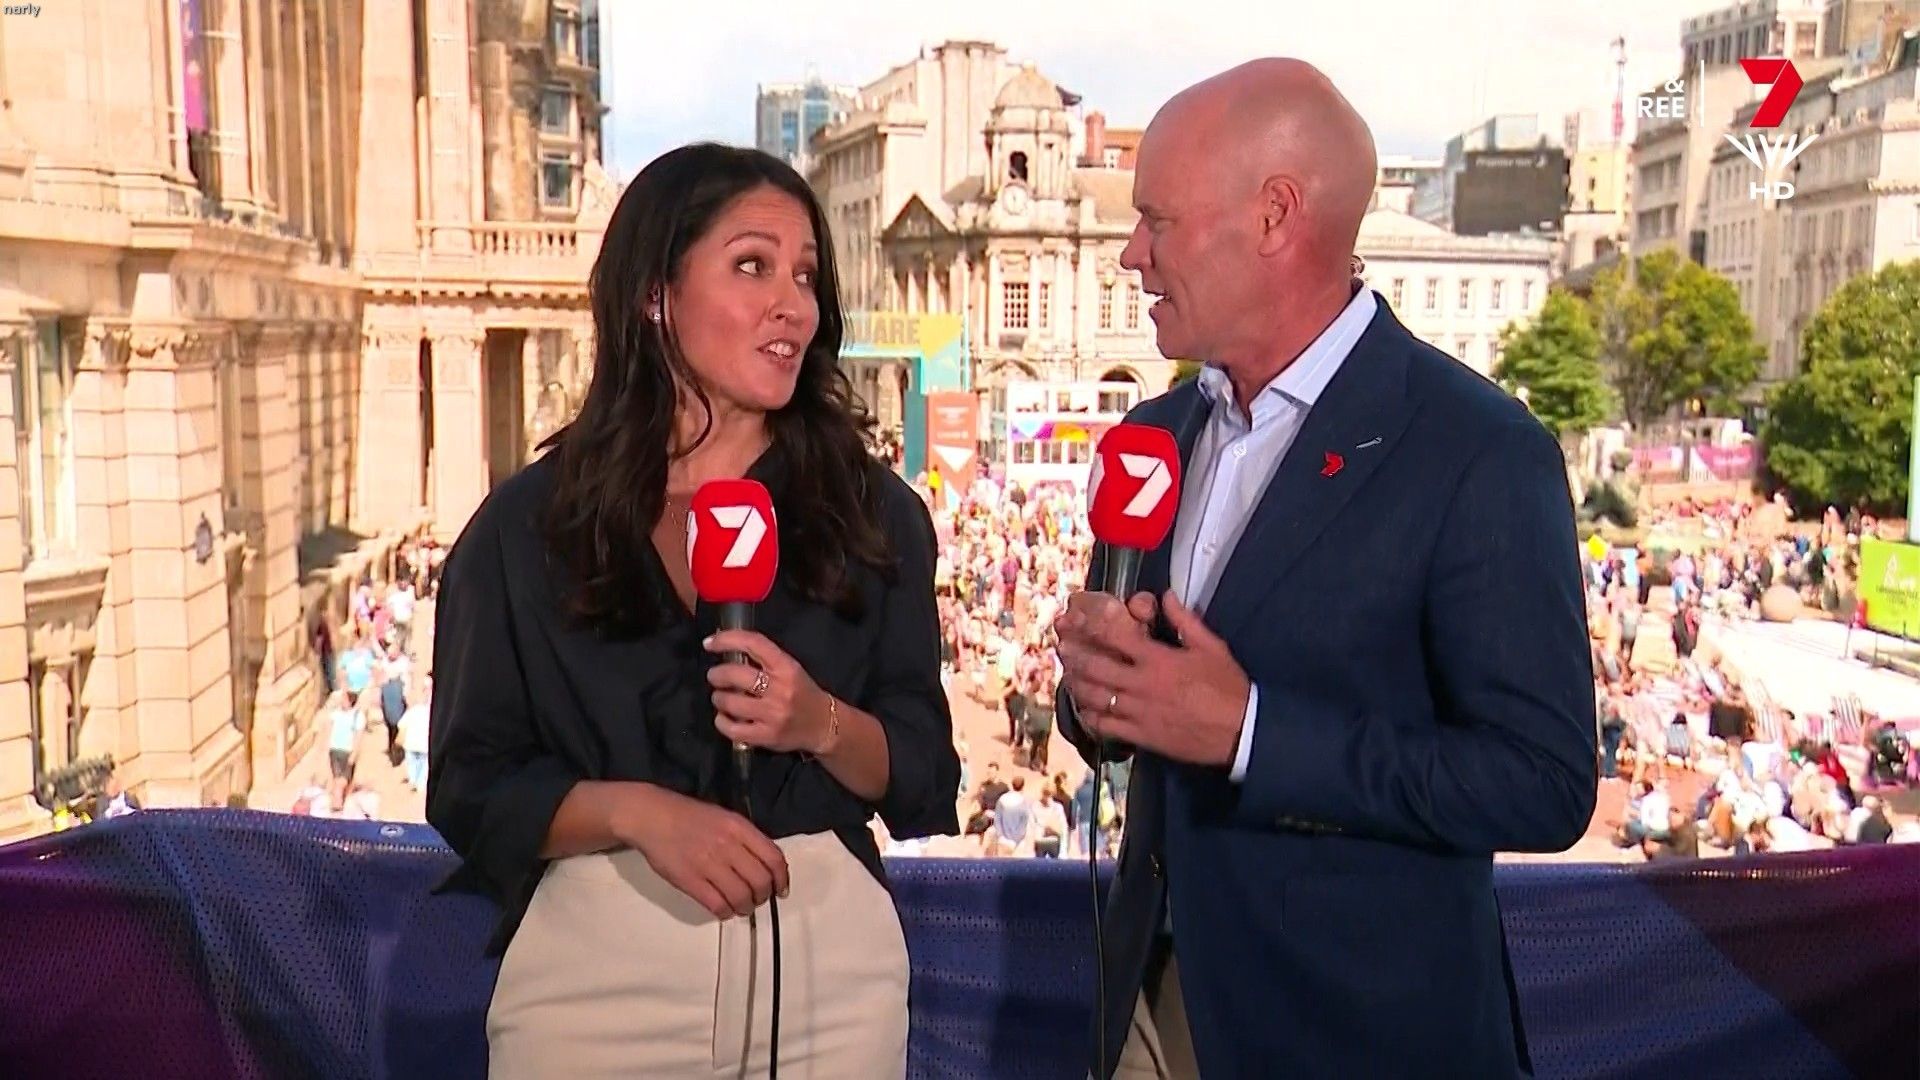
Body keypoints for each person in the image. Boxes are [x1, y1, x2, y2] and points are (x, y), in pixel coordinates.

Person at [1051, 60, 1596, 1078]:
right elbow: (1123, 712)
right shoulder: (1156, 434)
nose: (1132, 255)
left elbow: (1544, 783)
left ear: (1275, 215)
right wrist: (1097, 691)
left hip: (1357, 1032)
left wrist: (1253, 733)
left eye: (1158, 221)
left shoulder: (1478, 450)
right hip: (1146, 1009)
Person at [426, 143, 959, 1079]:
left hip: (825, 980)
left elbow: (924, 774)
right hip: (591, 984)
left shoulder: (876, 518)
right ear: (654, 294)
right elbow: (470, 786)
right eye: (752, 266)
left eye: (806, 276)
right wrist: (638, 814)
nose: (792, 304)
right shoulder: (526, 529)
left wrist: (820, 723)